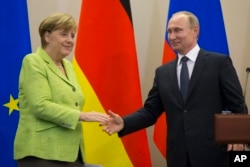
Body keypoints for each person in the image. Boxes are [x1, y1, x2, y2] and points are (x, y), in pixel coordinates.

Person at [102, 11, 247, 167]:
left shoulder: (218, 63)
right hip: (178, 156)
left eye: (178, 30)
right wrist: (124, 122)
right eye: (169, 31)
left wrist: (238, 137)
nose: (172, 36)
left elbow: (237, 104)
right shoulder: (163, 72)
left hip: (213, 155)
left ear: (195, 31)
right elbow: (150, 111)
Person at [14, 12, 108, 167]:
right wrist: (82, 116)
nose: (70, 40)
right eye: (64, 34)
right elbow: (40, 105)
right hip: (42, 152)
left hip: (72, 152)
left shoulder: (68, 66)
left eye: (72, 35)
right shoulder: (33, 61)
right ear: (47, 36)